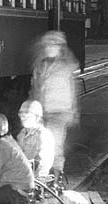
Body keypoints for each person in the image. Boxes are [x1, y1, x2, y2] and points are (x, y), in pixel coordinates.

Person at [30, 30, 79, 179]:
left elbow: (72, 89)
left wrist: (74, 111)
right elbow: (35, 88)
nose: (50, 48)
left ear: (60, 47)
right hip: (44, 111)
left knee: (54, 145)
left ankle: (55, 176)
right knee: (42, 144)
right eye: (48, 45)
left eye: (54, 45)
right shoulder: (41, 66)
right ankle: (46, 174)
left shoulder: (65, 66)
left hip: (60, 111)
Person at [16, 99, 55, 181]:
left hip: (35, 181)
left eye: (26, 113)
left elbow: (42, 165)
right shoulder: (21, 134)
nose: (22, 116)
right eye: (21, 113)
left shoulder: (44, 136)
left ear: (37, 117)